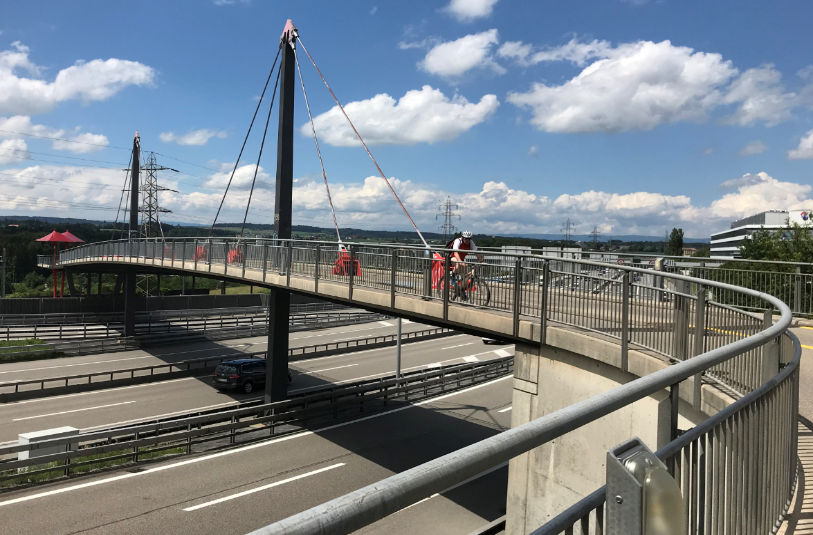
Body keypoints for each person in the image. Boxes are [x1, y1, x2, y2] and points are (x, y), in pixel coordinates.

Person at [449, 231, 483, 299]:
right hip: (452, 257)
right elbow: (455, 253)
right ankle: (452, 277)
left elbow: (476, 252)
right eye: (466, 239)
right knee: (458, 264)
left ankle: (461, 291)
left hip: (461, 259)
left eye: (469, 239)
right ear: (463, 238)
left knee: (466, 277)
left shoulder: (471, 243)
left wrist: (481, 261)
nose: (468, 240)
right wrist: (460, 261)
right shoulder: (458, 241)